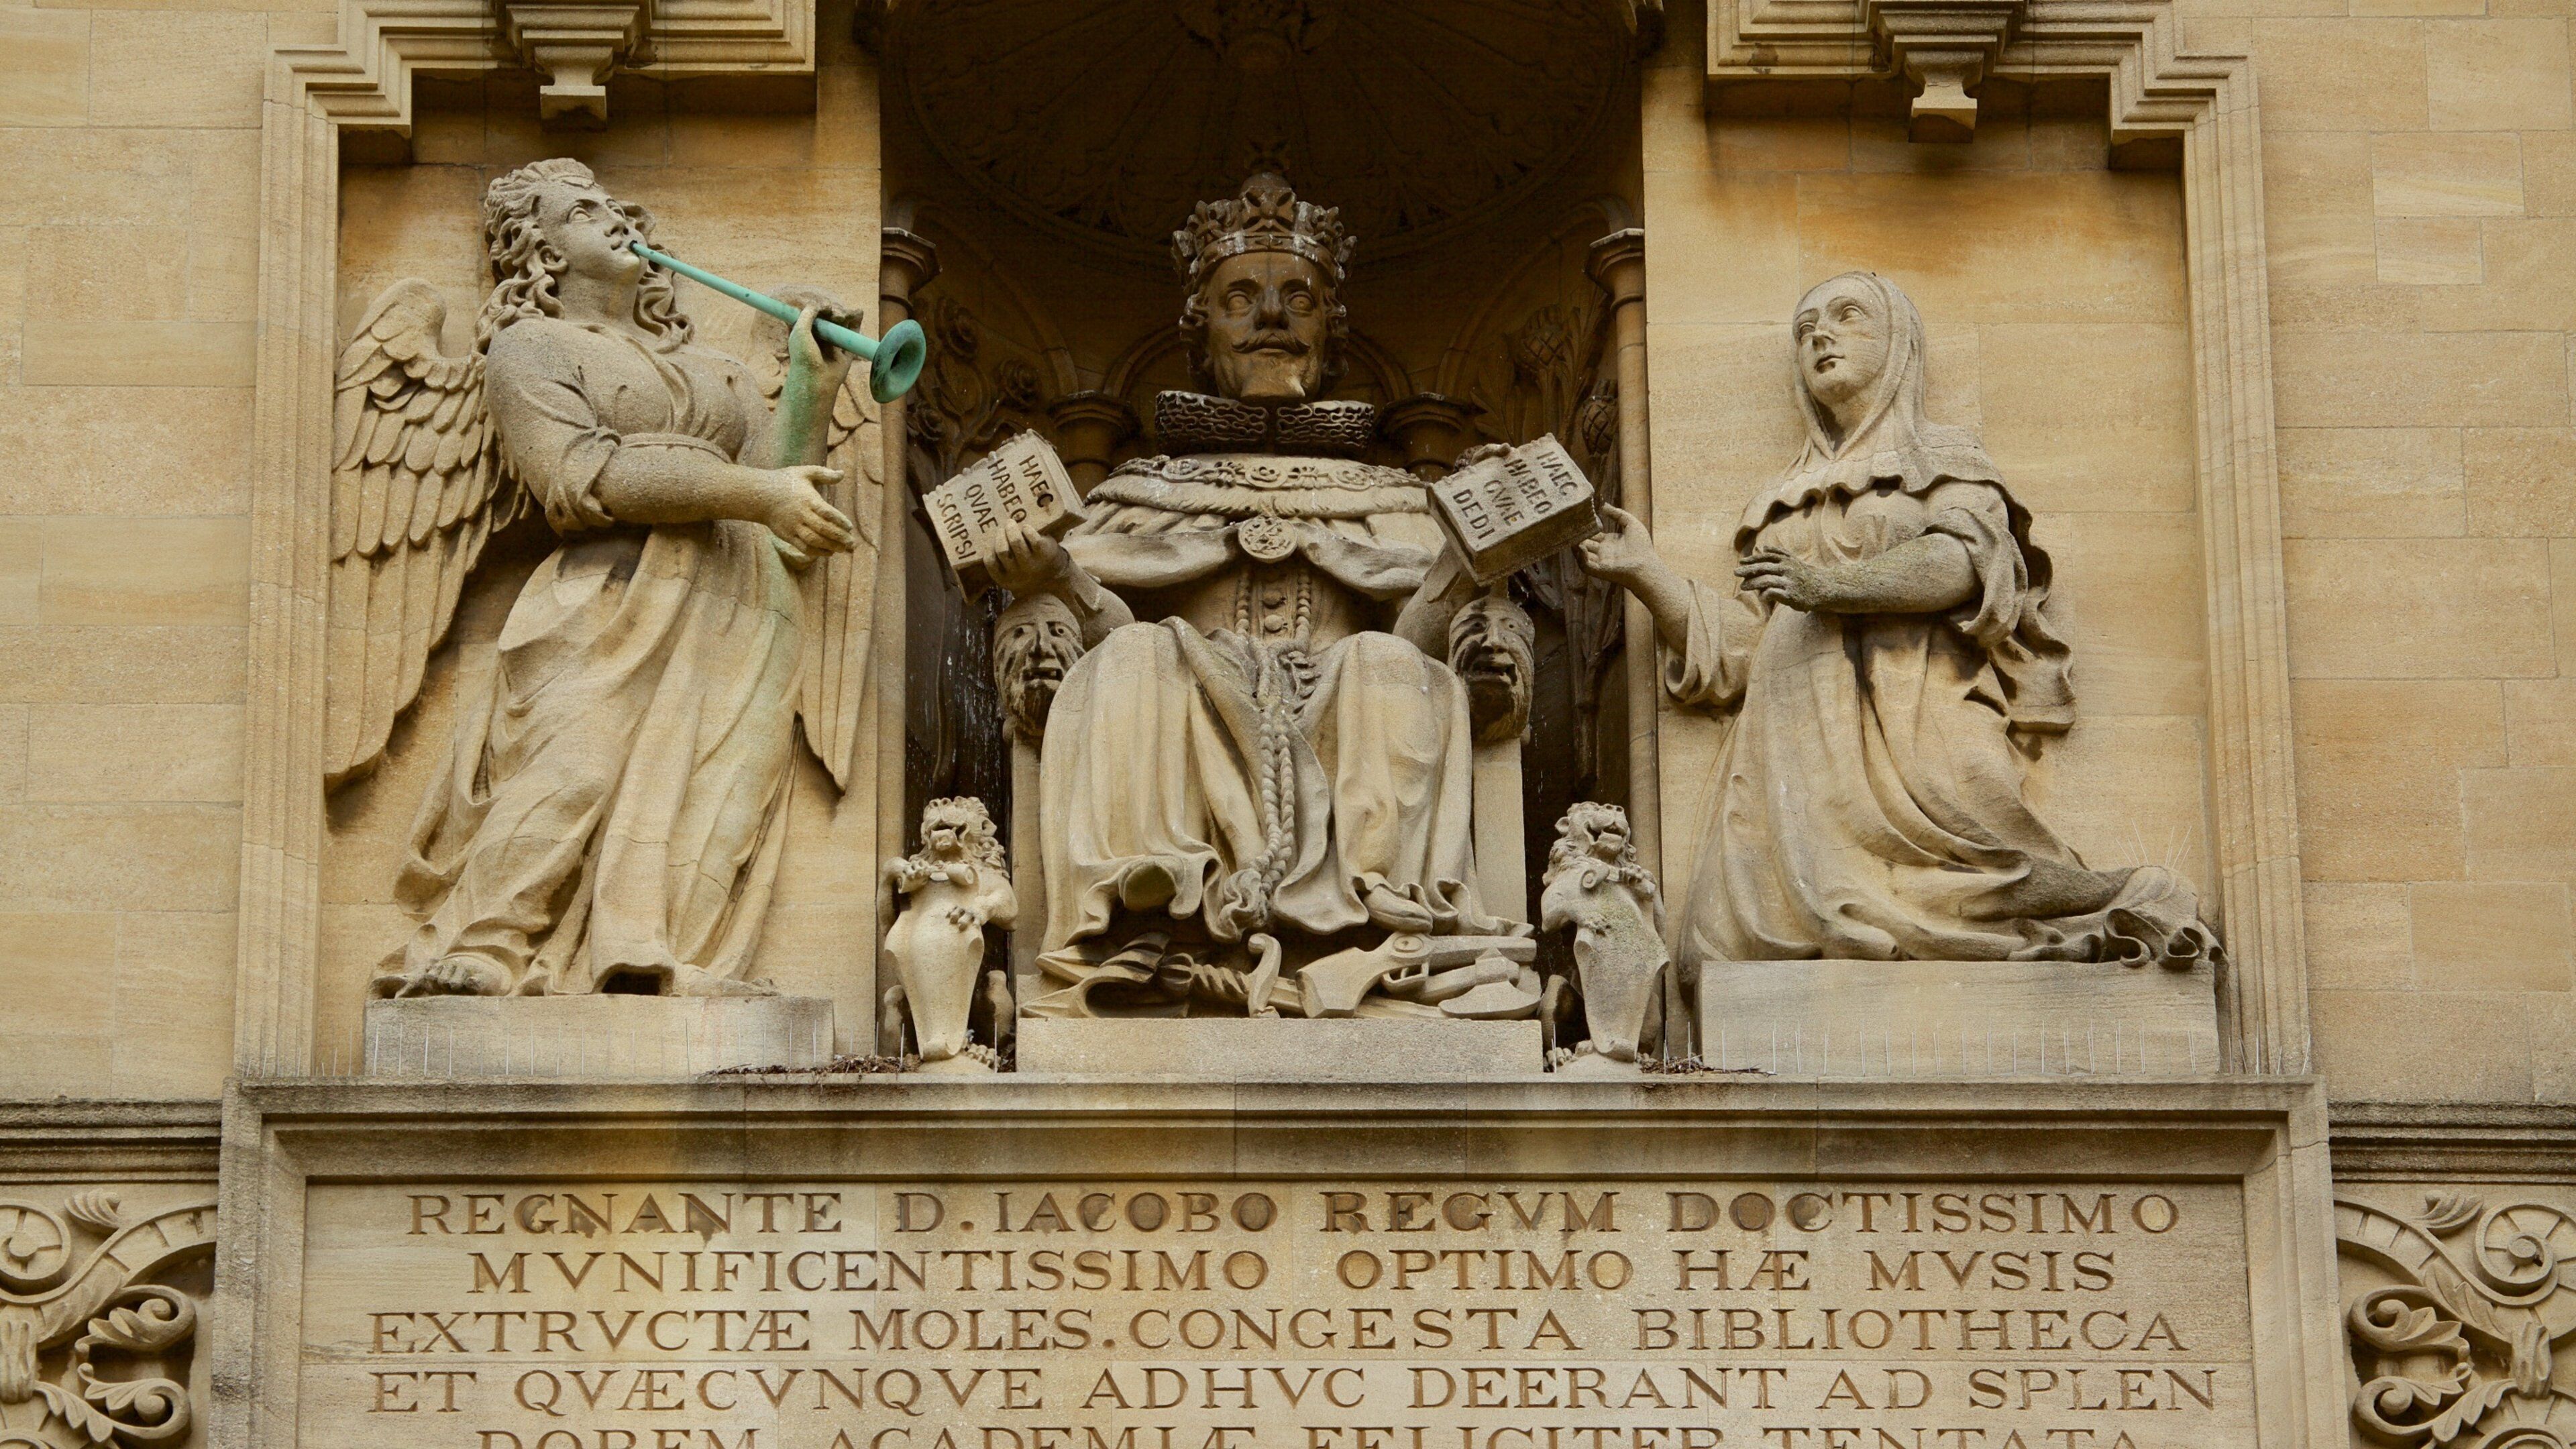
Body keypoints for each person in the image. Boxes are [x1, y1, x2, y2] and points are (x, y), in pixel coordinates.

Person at [1578, 270, 2220, 968]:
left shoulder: (1947, 458)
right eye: (1805, 328)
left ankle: (2126, 901)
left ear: (1898, 342)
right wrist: (1646, 573)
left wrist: (1827, 584)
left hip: (1919, 724)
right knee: (1721, 946)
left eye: (1846, 315)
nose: (1819, 335)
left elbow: (1963, 564)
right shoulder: (1781, 499)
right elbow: (1743, 652)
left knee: (1985, 883)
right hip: (1792, 747)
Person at [370, 158, 858, 998]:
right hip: (608, 595)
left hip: (739, 604)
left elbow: (790, 497)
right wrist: (756, 495)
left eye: (611, 205)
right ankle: (490, 943)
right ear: (544, 251)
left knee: (723, 788)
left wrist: (813, 389)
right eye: (582, 211)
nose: (610, 217)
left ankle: (668, 958)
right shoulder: (531, 350)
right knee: (577, 764)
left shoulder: (718, 373)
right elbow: (580, 477)